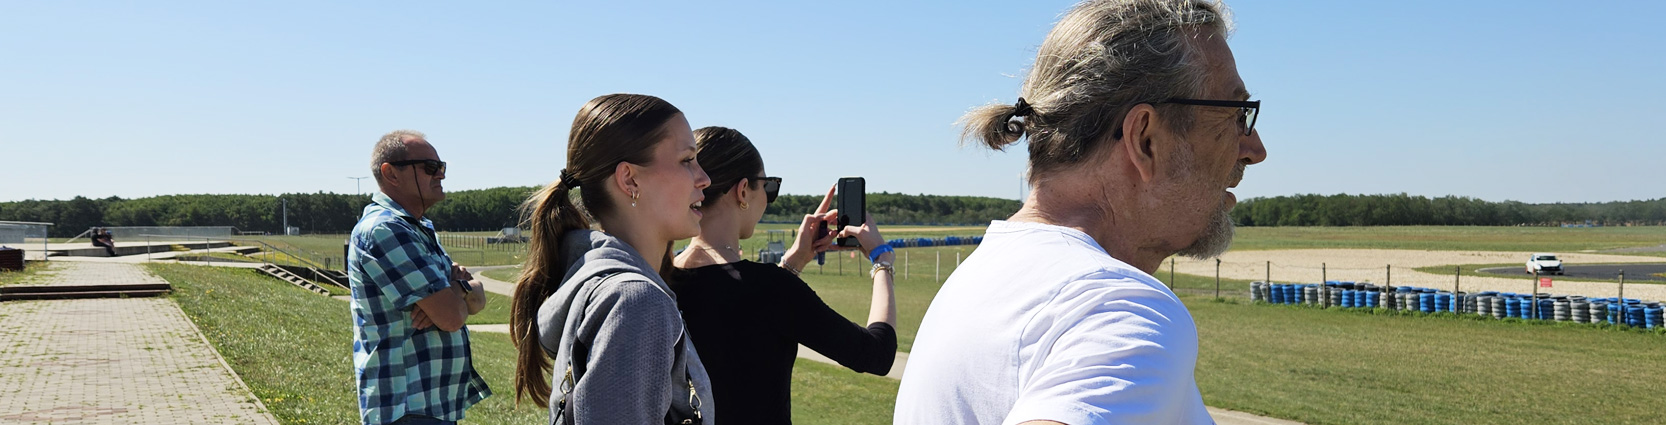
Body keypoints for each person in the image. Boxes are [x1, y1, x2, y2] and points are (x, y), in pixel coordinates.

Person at [894, 0, 1268, 423]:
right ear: (1145, 140)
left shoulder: (982, 279)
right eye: (1236, 115)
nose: (1255, 150)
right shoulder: (1116, 307)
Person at [510, 94, 717, 424]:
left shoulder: (605, 285)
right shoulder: (635, 301)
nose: (704, 178)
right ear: (629, 179)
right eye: (686, 160)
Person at [668, 127, 896, 424]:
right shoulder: (772, 289)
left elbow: (737, 307)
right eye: (769, 186)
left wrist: (793, 263)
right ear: (743, 191)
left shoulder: (662, 276)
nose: (769, 197)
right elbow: (876, 354)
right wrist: (882, 261)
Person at [347, 130, 491, 425]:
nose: (440, 175)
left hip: (430, 406)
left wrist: (453, 290)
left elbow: (476, 297)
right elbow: (452, 317)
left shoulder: (417, 228)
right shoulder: (385, 230)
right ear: (391, 174)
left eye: (441, 167)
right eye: (430, 167)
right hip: (406, 407)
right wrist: (450, 298)